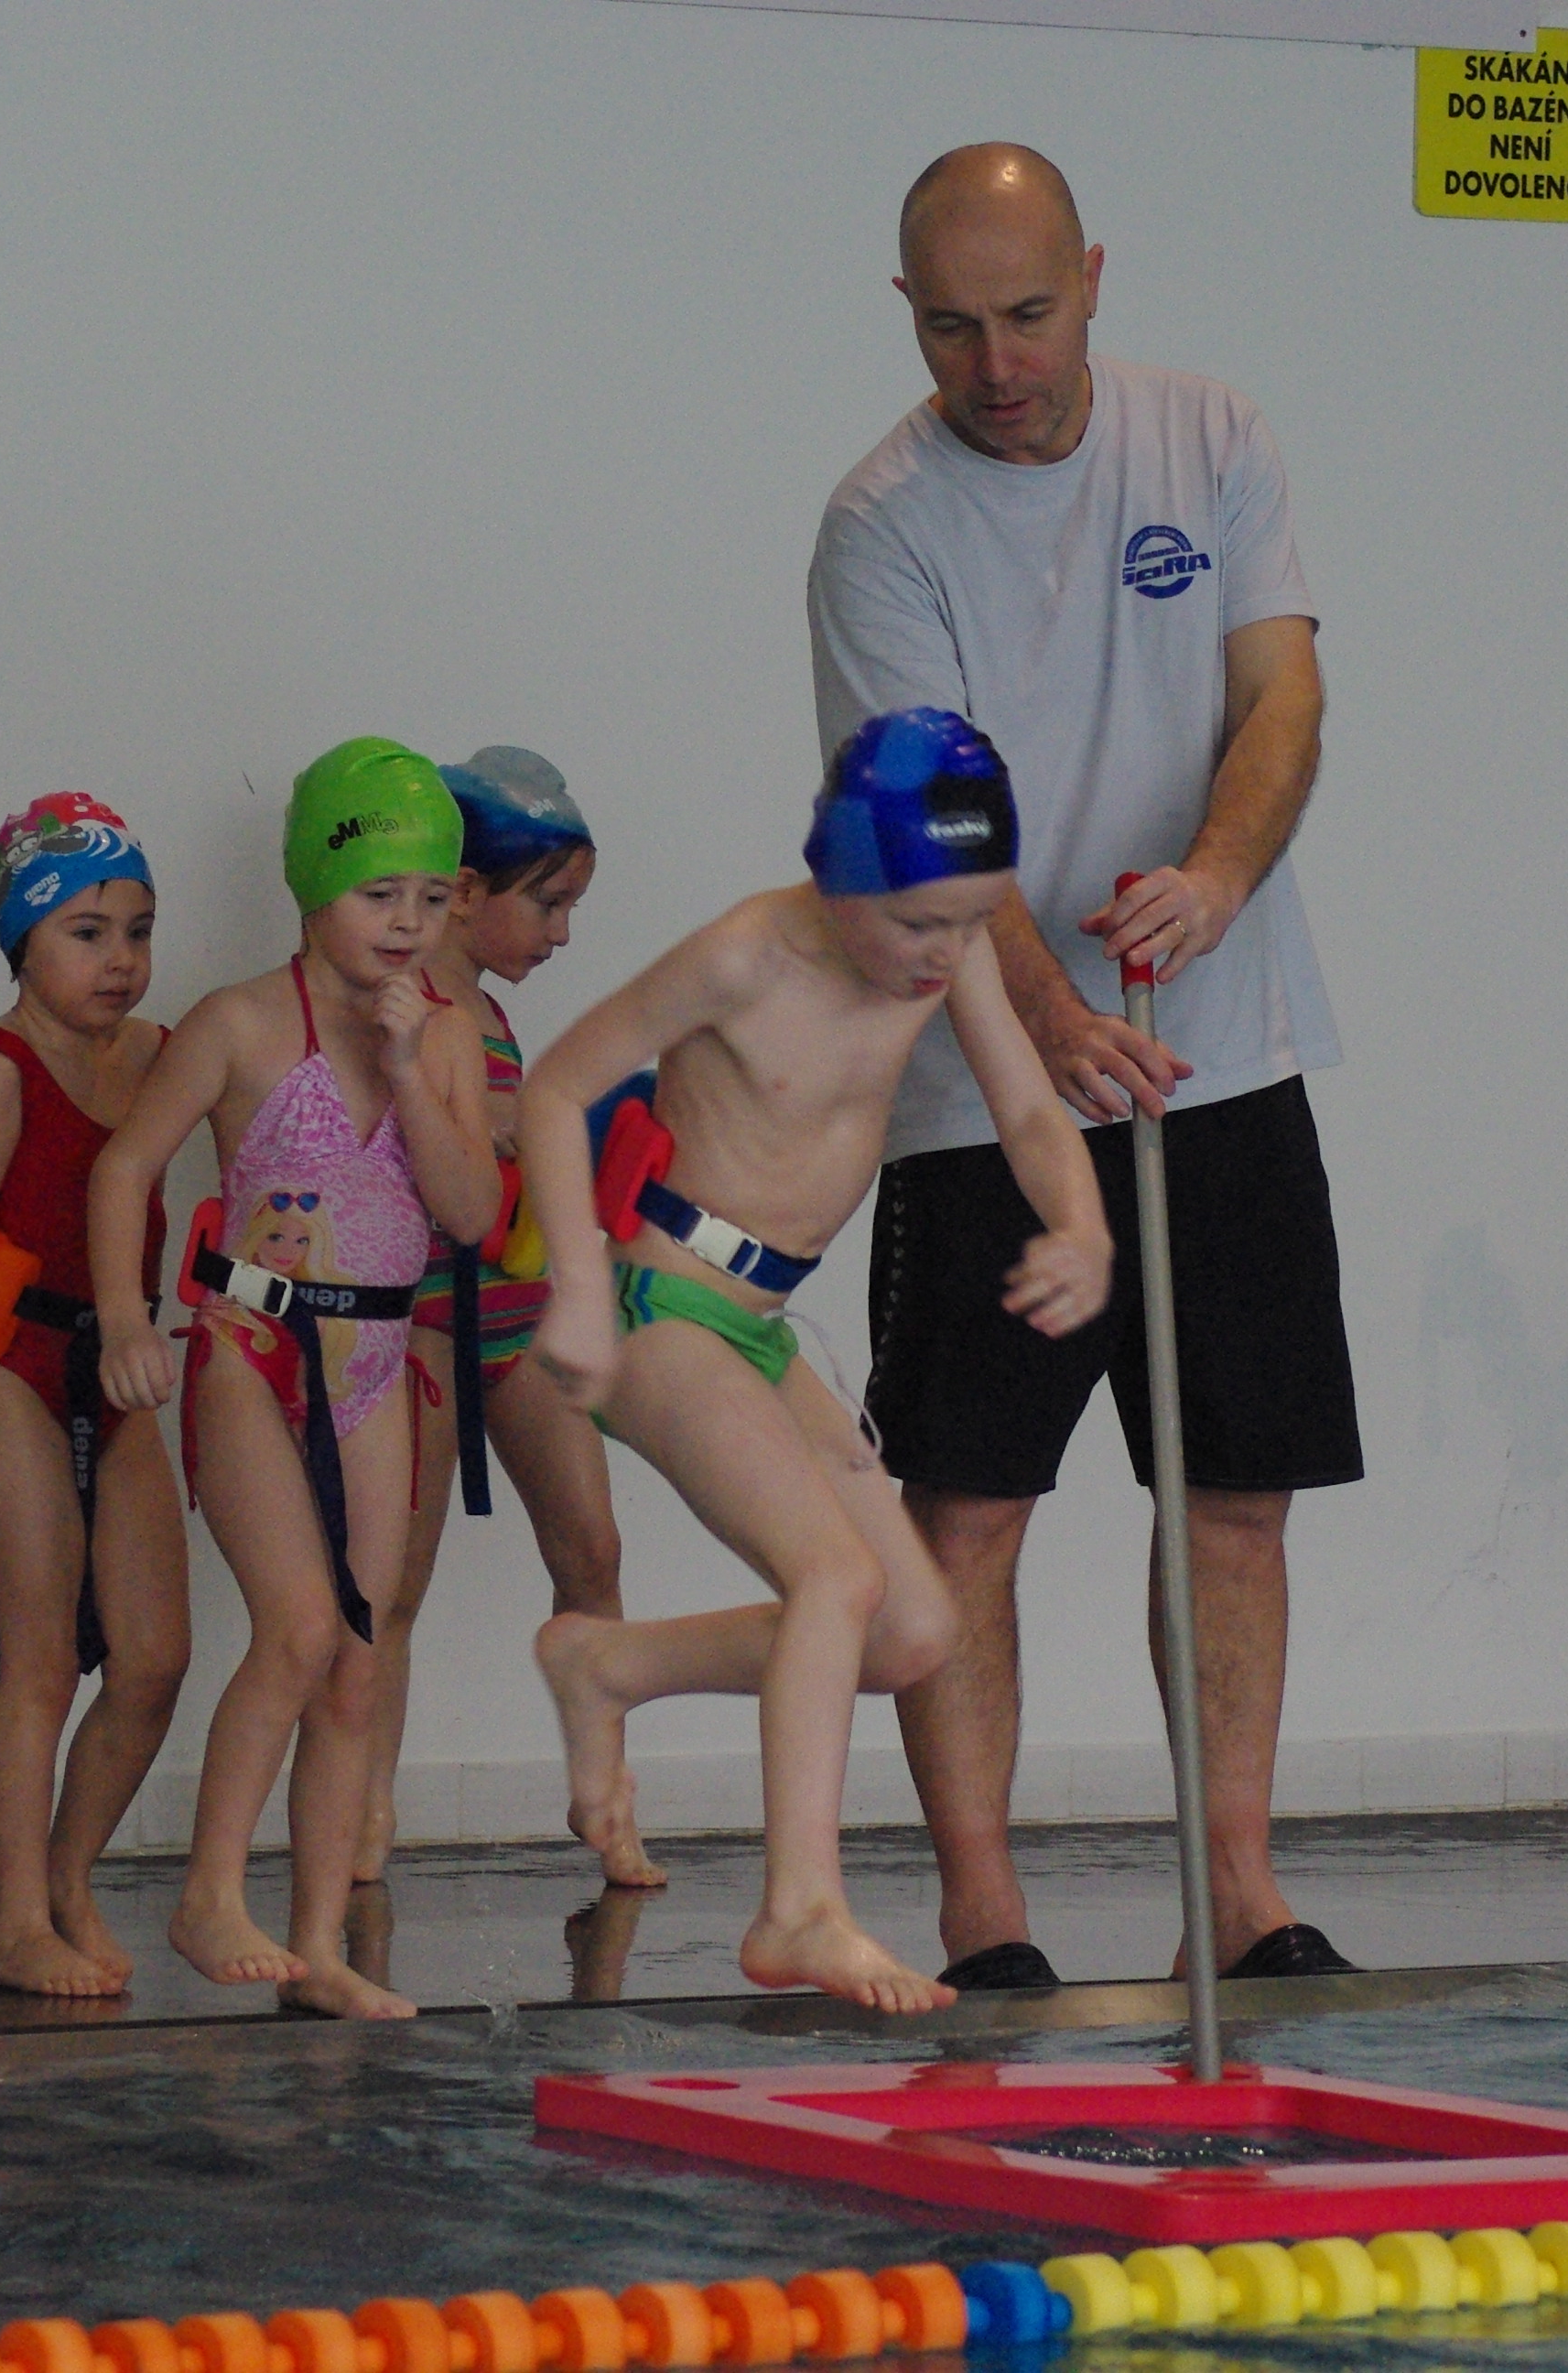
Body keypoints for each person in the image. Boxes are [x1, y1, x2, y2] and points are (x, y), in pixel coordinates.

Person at [810, 142, 1362, 1991]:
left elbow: (1281, 694)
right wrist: (1047, 1022)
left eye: (1030, 315)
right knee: (970, 1503)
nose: (999, 365)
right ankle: (983, 1911)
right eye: (954, 328)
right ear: (908, 314)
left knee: (1234, 1494)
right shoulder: (881, 525)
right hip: (982, 1086)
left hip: (1222, 1061)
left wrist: (1214, 879)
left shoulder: (1208, 438)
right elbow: (931, 824)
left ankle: (1240, 1888)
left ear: (1094, 278)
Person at [517, 710, 1112, 2015]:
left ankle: (607, 1666)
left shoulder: (944, 951)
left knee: (908, 1630)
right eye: (918, 924)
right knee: (833, 1578)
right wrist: (575, 1289)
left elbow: (1027, 1108)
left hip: (763, 1325)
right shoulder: (743, 957)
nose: (944, 954)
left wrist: (1082, 1228)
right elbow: (555, 1087)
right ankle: (798, 1910)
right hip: (661, 1304)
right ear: (841, 877)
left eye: (970, 921)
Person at [92, 738, 500, 2020]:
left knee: (358, 1664)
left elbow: (472, 1213)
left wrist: (410, 1072)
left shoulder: (446, 1037)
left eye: (430, 899)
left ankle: (321, 1945)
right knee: (300, 1630)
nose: (407, 923)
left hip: (375, 1359)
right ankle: (211, 1892)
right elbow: (125, 1166)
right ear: (315, 888)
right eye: (380, 894)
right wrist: (124, 1320)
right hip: (252, 1346)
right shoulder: (238, 1023)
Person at [361, 747, 662, 1896]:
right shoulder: (393, 1004)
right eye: (548, 904)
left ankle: (604, 1798)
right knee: (391, 1585)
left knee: (593, 1551)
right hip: (421, 1324)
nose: (562, 934)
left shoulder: (486, 1012)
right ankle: (364, 1817)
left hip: (512, 1311)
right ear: (466, 890)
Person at [0, 795, 189, 1999]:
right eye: (86, 932)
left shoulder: (164, 1054)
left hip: (112, 1365)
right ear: (22, 944)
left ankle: (68, 1879)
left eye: (137, 931)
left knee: (154, 1659)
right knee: (39, 1656)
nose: (118, 958)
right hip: (3, 1365)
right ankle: (17, 1924)